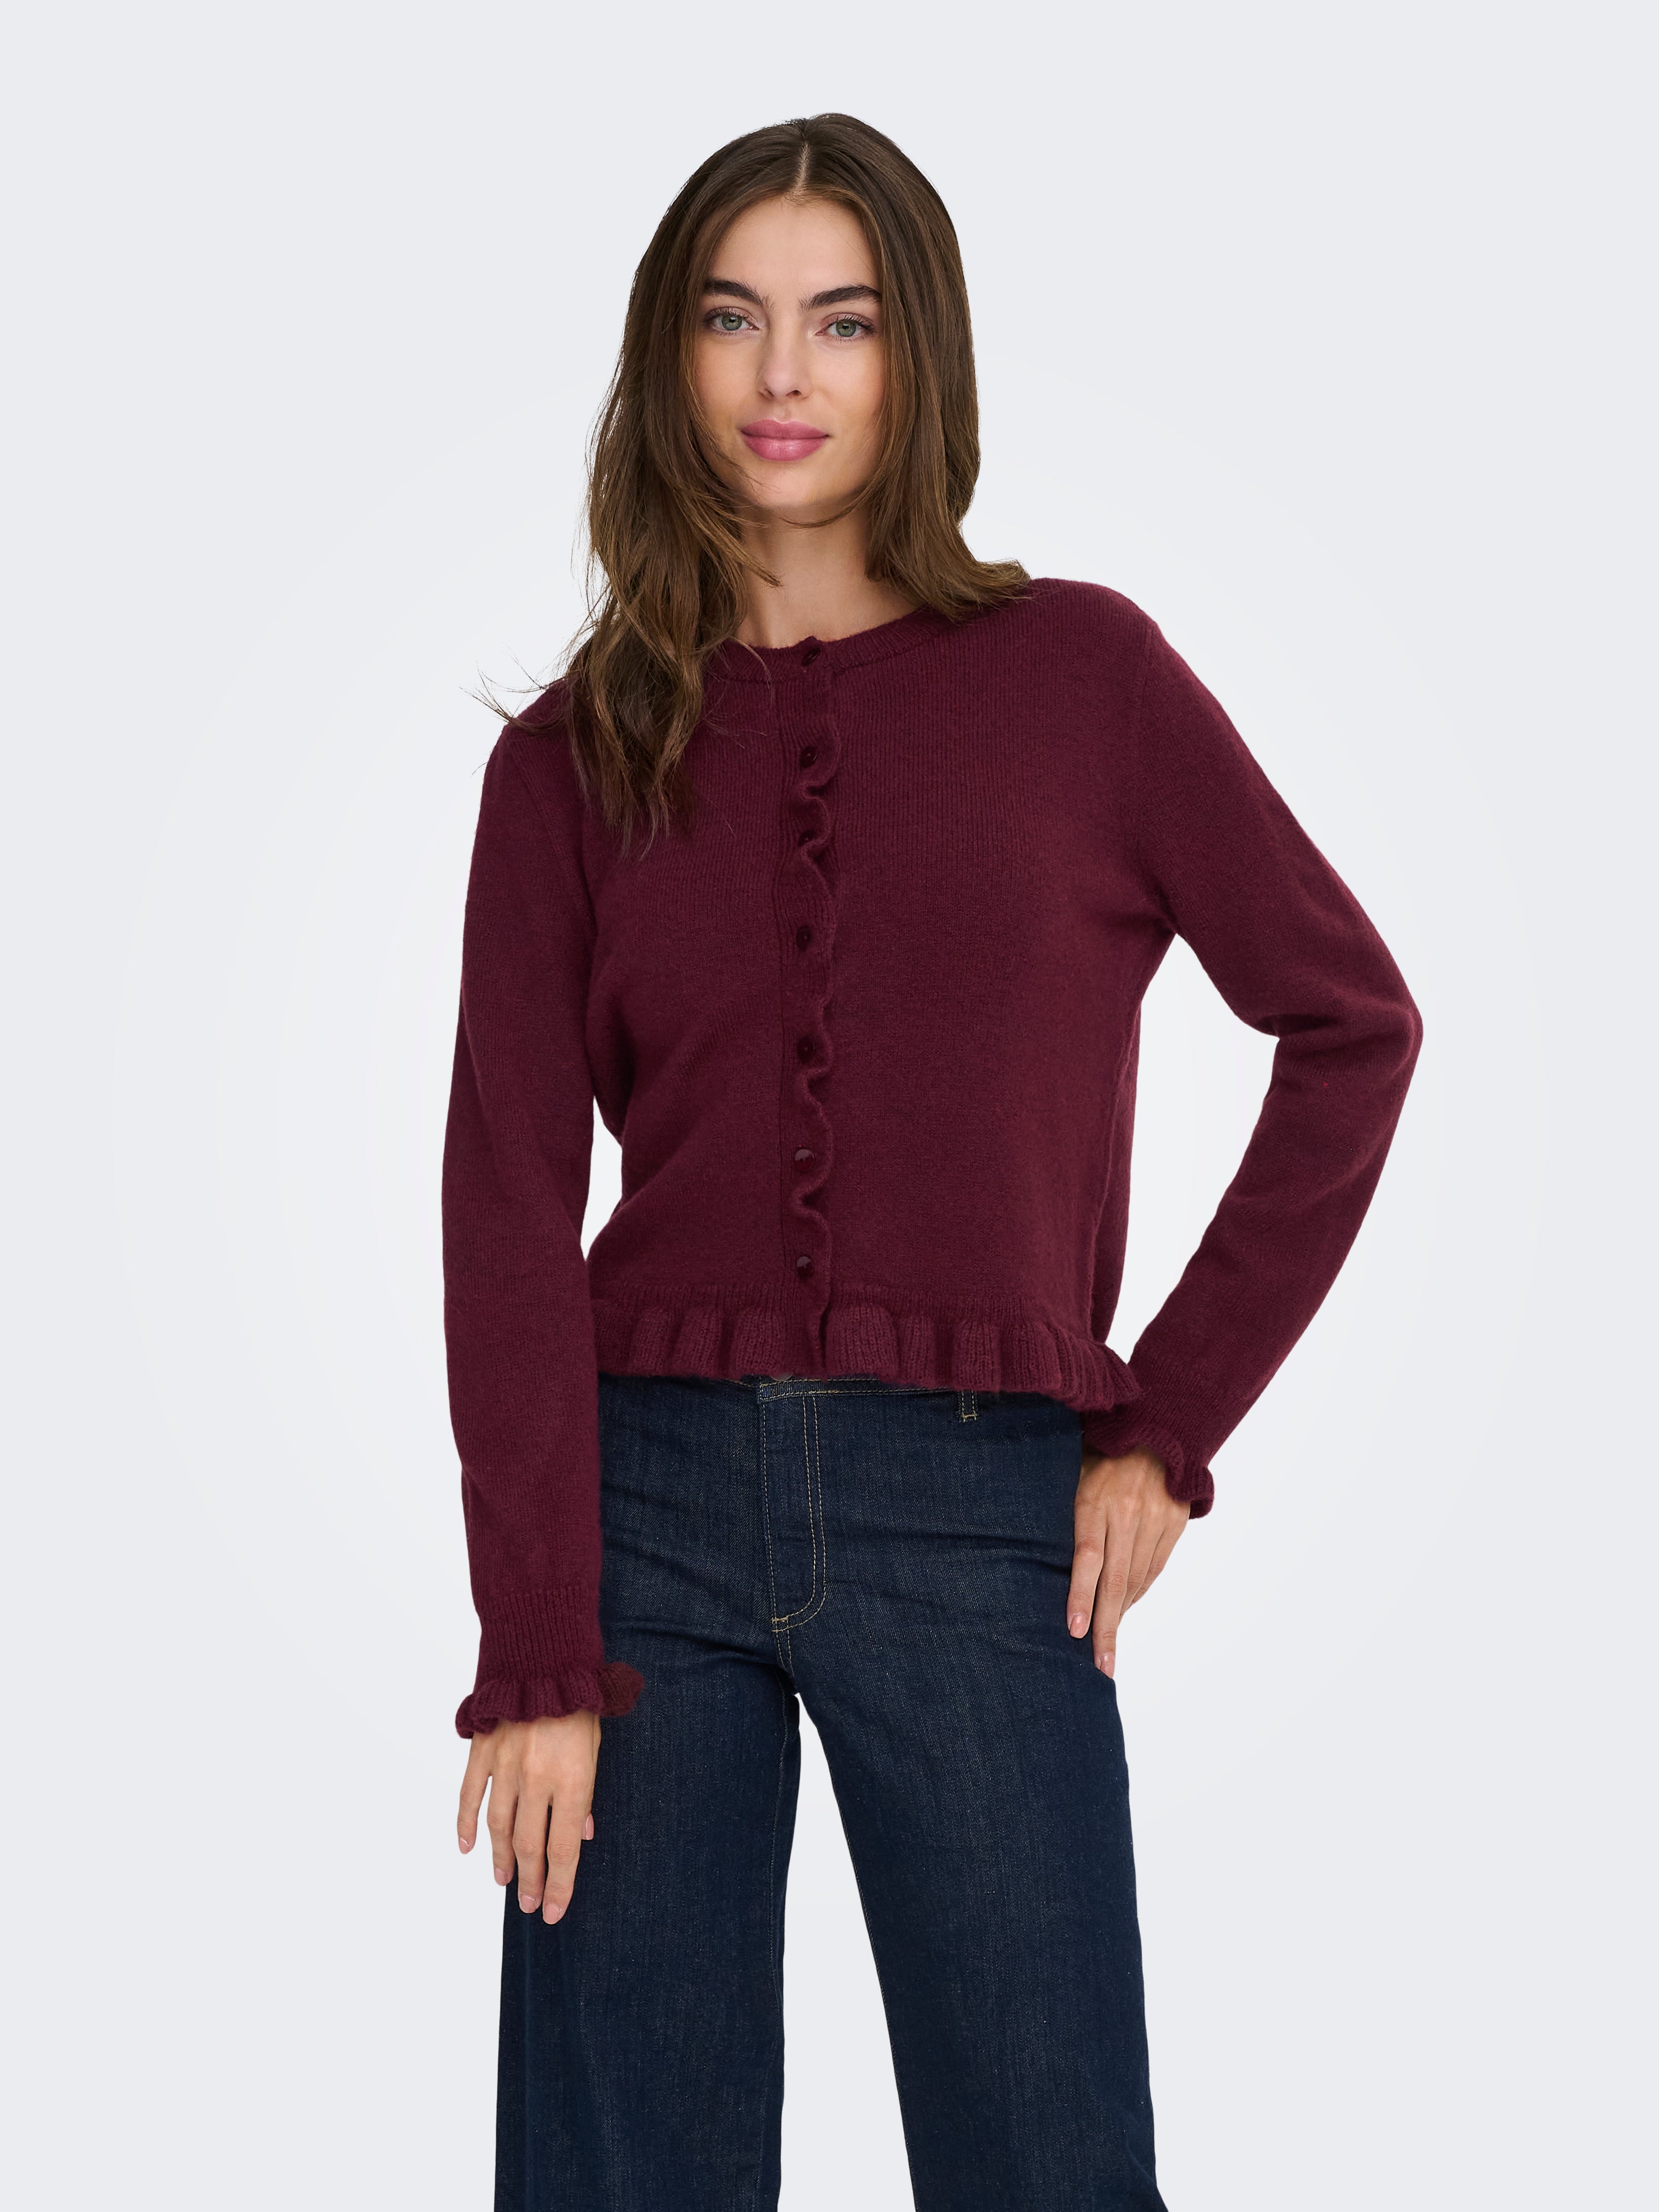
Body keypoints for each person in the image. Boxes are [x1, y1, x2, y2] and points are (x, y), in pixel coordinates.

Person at [442, 112, 1422, 2210]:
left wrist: (1167, 1423)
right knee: (619, 2171)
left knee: (1048, 2160)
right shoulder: (575, 752)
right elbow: (507, 1208)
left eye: (845, 320)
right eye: (734, 319)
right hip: (638, 1528)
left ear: (922, 358)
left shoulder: (1088, 681)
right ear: (671, 359)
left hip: (981, 1511)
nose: (785, 375)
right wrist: (534, 1653)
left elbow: (1354, 1026)